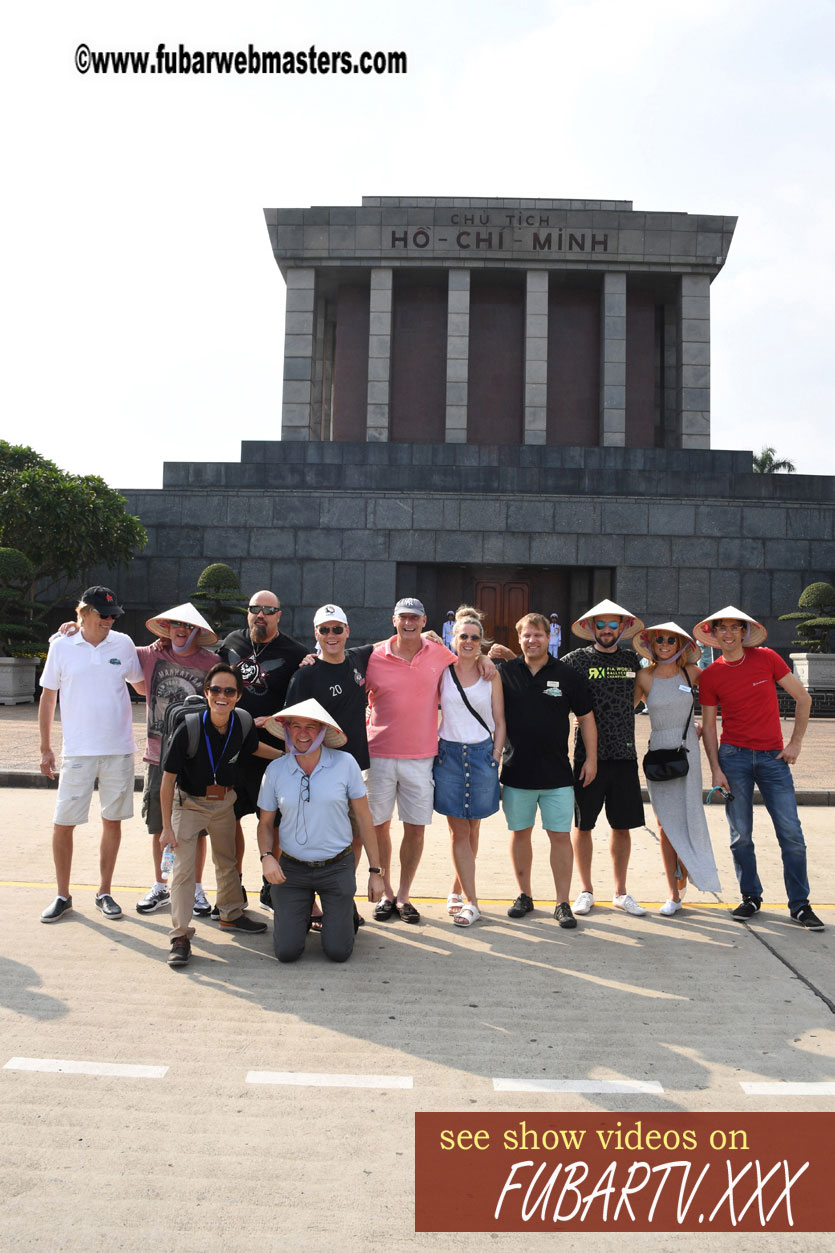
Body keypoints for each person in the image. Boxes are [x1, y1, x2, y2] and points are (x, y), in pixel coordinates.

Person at [694, 605, 823, 929]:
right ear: (712, 634)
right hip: (733, 758)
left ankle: (800, 905)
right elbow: (709, 727)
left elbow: (803, 698)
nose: (726, 633)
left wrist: (795, 744)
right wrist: (715, 769)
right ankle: (750, 896)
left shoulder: (767, 658)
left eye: (733, 628)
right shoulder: (711, 675)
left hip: (772, 759)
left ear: (743, 632)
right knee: (741, 836)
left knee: (791, 834)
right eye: (720, 628)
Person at [159, 663, 281, 966]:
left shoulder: (241, 722)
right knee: (185, 872)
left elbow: (253, 748)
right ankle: (180, 935)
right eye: (216, 690)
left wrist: (288, 755)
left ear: (238, 696)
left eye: (229, 690)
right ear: (206, 692)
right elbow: (167, 780)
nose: (221, 696)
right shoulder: (189, 727)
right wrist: (166, 828)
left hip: (224, 802)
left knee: (227, 863)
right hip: (188, 804)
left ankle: (230, 914)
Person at [38, 586, 143, 923]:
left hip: (119, 749)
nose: (110, 620)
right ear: (83, 613)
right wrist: (45, 746)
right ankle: (62, 895)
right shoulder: (61, 646)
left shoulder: (124, 644)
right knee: (63, 824)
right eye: (103, 614)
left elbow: (141, 684)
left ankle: (105, 892)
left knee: (112, 822)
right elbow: (48, 697)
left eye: (114, 615)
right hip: (78, 751)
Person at [257, 699, 385, 962]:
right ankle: (300, 912)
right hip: (292, 869)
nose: (303, 733)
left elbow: (363, 817)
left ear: (323, 731)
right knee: (286, 952)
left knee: (338, 952)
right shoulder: (275, 770)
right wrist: (266, 856)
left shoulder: (345, 763)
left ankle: (342, 909)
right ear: (288, 729)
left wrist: (375, 872)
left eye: (311, 727)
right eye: (296, 726)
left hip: (337, 867)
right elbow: (265, 823)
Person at [490, 613, 597, 927]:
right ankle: (524, 895)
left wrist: (591, 759)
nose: (532, 640)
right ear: (519, 638)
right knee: (520, 834)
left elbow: (587, 718)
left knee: (560, 837)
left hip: (557, 776)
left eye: (538, 635)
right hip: (516, 772)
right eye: (526, 635)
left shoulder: (567, 674)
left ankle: (562, 902)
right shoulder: (505, 673)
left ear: (549, 637)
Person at [364, 597, 457, 924]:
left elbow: (469, 667)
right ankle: (386, 892)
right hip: (379, 755)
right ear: (394, 620)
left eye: (414, 618)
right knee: (378, 827)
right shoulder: (374, 656)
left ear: (424, 620)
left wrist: (492, 659)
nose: (409, 623)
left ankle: (404, 895)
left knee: (416, 828)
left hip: (421, 757)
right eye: (403, 617)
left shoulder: (440, 655)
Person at [284, 603, 374, 928]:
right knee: (318, 841)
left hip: (355, 767)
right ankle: (313, 907)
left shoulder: (359, 660)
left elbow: (388, 645)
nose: (332, 635)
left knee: (355, 837)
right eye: (325, 630)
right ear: (316, 634)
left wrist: (432, 635)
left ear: (347, 631)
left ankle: (341, 899)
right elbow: (291, 728)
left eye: (337, 629)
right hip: (318, 770)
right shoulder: (305, 675)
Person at [217, 590, 307, 906]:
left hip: (271, 754)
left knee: (273, 822)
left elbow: (303, 700)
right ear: (248, 612)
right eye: (255, 608)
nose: (261, 614)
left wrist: (277, 718)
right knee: (229, 821)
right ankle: (233, 886)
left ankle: (271, 885)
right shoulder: (231, 643)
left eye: (269, 609)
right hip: (231, 751)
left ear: (279, 615)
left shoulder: (295, 653)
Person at [561, 599, 647, 917]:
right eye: (602, 624)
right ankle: (585, 890)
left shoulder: (631, 660)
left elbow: (642, 693)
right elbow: (551, 685)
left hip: (624, 755)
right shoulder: (574, 661)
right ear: (591, 627)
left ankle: (621, 892)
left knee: (621, 826)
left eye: (614, 625)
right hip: (587, 757)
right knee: (583, 826)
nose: (607, 630)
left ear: (623, 628)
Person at [134, 603, 220, 917]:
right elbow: (109, 647)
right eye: (175, 625)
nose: (181, 631)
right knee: (159, 825)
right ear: (166, 628)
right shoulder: (149, 655)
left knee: (196, 828)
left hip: (195, 759)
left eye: (188, 627)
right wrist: (72, 629)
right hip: (158, 757)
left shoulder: (211, 662)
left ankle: (195, 887)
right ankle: (162, 883)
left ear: (198, 632)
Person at [633, 622, 721, 915]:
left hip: (687, 751)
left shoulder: (692, 673)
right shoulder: (644, 676)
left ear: (681, 645)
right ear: (652, 643)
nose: (665, 644)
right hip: (659, 750)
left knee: (688, 817)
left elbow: (720, 694)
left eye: (672, 640)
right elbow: (624, 709)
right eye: (660, 640)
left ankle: (688, 870)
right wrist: (585, 718)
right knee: (664, 824)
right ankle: (674, 892)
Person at [433, 611, 506, 927]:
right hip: (448, 755)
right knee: (458, 830)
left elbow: (500, 720)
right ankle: (472, 902)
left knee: (473, 827)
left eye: (475, 637)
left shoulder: (491, 674)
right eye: (463, 636)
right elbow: (418, 640)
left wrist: (496, 755)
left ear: (481, 641)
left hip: (481, 756)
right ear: (454, 638)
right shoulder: (441, 670)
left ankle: (456, 889)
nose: (469, 642)